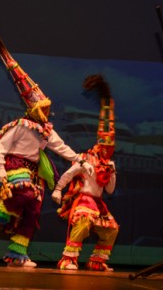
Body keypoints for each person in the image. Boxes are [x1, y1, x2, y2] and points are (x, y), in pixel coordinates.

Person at [0, 25, 94, 268]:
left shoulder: (46, 130)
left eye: (48, 108)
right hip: (14, 164)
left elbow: (61, 147)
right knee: (25, 193)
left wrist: (80, 160)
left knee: (33, 209)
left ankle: (17, 254)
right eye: (44, 108)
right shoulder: (22, 125)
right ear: (34, 108)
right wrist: (0, 168)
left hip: (33, 169)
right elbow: (1, 146)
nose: (47, 111)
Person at [51, 74, 119, 272]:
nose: (106, 149)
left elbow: (110, 190)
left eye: (109, 148)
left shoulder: (108, 164)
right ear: (99, 145)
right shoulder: (86, 158)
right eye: (104, 146)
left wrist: (112, 173)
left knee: (111, 230)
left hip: (97, 202)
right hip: (83, 199)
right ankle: (68, 259)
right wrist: (58, 189)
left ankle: (96, 261)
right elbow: (70, 173)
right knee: (83, 221)